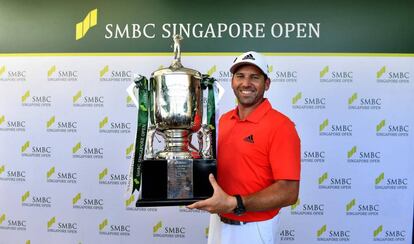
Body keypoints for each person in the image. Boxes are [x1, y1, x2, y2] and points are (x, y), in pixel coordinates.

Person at [187, 51, 301, 244]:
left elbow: (289, 192)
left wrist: (236, 203)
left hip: (254, 230)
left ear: (267, 84)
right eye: (240, 76)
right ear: (232, 81)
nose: (246, 83)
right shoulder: (223, 120)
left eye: (254, 77)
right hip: (218, 222)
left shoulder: (281, 126)